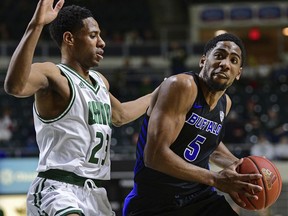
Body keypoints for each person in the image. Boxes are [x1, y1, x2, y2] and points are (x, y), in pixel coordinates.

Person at [4, 0, 155, 215]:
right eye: (93, 36)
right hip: (57, 189)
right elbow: (15, 86)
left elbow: (120, 115)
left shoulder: (100, 81)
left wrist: (158, 93)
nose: (102, 42)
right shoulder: (53, 74)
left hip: (94, 192)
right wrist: (35, 26)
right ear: (69, 39)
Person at [123, 33, 263, 216]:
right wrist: (215, 178)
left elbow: (210, 144)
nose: (225, 64)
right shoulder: (181, 86)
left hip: (199, 197)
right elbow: (155, 156)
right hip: (155, 203)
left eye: (233, 60)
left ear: (238, 73)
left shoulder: (225, 103)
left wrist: (247, 171)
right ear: (203, 60)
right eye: (219, 55)